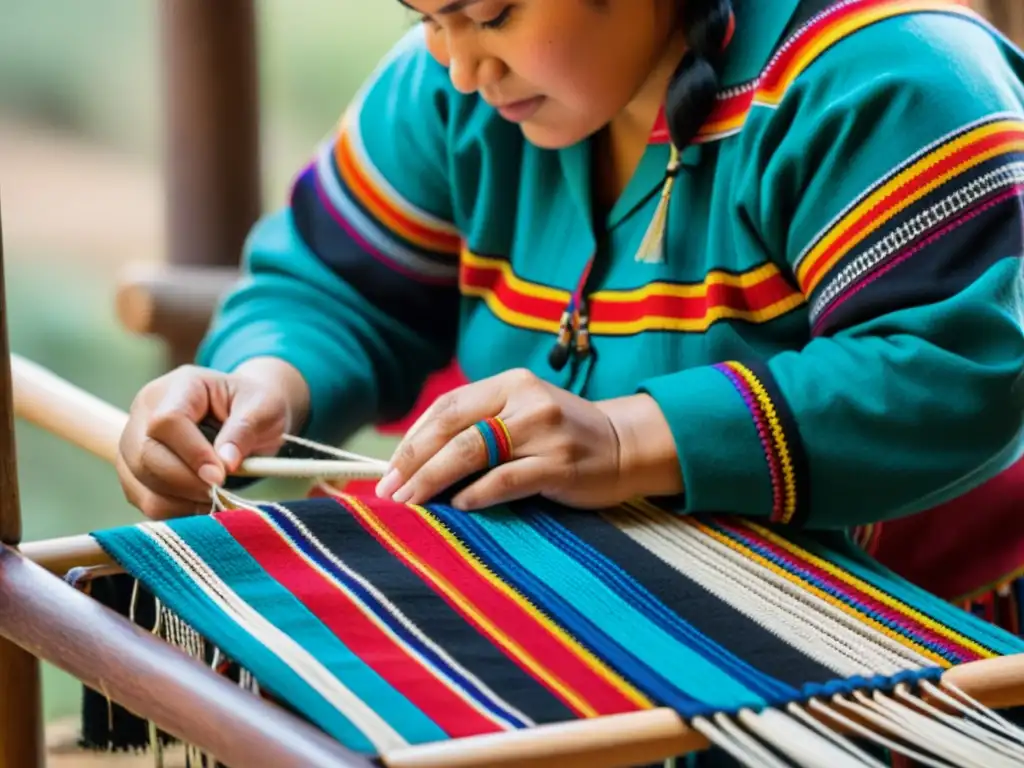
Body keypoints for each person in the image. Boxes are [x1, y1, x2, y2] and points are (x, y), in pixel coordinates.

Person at [118, 0, 1024, 637]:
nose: (460, 65)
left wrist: (626, 440)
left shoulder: (893, 76)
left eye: (493, 13)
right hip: (602, 624)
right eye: (425, 18)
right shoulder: (451, 93)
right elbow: (331, 283)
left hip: (907, 656)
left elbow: (957, 370)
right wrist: (262, 384)